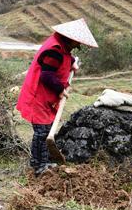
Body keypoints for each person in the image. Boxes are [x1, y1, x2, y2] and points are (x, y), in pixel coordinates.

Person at [16, 18, 97, 176]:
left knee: (47, 130)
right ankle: (38, 165)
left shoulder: (61, 46)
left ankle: (43, 162)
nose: (78, 46)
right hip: (38, 95)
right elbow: (46, 75)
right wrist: (61, 89)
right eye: (77, 43)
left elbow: (65, 56)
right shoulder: (54, 49)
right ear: (71, 38)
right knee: (41, 132)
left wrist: (72, 62)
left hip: (46, 96)